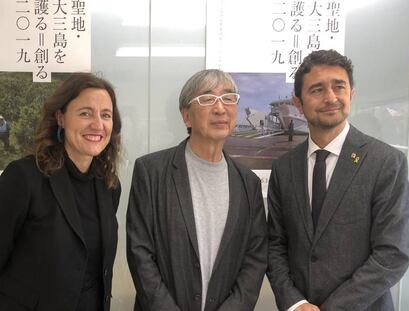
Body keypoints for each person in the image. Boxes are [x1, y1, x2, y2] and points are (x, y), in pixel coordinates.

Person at [267, 49, 409, 311]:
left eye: (339, 87)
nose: (331, 98)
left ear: (352, 94)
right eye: (317, 90)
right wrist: (294, 302)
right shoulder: (284, 169)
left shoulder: (386, 163)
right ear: (298, 102)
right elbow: (275, 245)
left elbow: (392, 254)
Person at [127, 69, 267, 311]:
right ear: (186, 116)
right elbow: (139, 252)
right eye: (207, 99)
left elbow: (254, 259)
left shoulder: (248, 183)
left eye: (228, 98)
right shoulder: (151, 172)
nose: (220, 108)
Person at [0, 72, 122, 311]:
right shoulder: (24, 177)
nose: (98, 124)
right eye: (85, 113)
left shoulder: (110, 185)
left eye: (105, 115)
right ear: (61, 118)